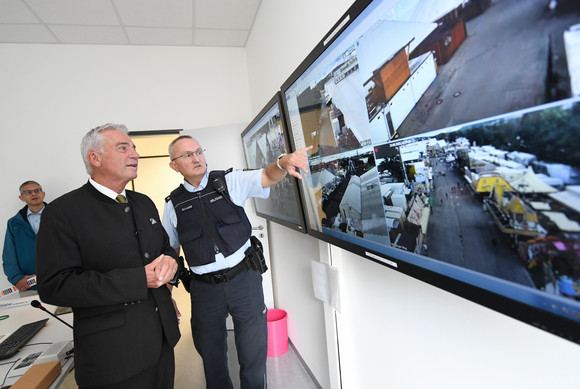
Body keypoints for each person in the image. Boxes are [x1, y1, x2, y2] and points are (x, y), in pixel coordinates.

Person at [36, 123, 180, 389]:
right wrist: (138, 280)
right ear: (95, 158)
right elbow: (55, 285)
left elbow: (163, 249)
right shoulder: (62, 212)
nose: (134, 154)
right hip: (113, 357)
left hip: (161, 340)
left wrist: (171, 261)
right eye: (123, 148)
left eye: (134, 148)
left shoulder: (144, 202)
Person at [162, 135, 311, 389]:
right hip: (204, 289)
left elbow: (266, 176)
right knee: (212, 358)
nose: (196, 158)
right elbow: (171, 252)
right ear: (174, 165)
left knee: (253, 354)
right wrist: (167, 295)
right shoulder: (173, 204)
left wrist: (282, 162)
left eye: (199, 151)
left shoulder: (228, 181)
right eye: (187, 155)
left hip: (244, 279)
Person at [2, 180, 46, 290]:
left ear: (43, 194)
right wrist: (17, 279)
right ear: (21, 198)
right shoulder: (14, 223)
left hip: (59, 282)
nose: (34, 194)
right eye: (28, 192)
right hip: (29, 285)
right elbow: (9, 254)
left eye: (37, 190)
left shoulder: (59, 218)